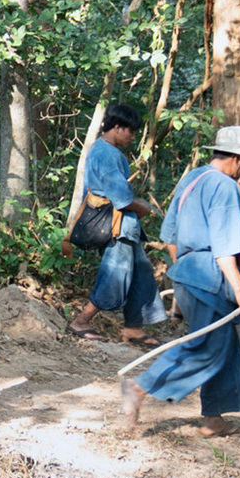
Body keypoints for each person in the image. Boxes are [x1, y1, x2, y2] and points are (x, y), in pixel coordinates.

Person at [121, 125, 240, 438]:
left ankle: (213, 420)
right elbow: (225, 245)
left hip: (187, 272)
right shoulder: (225, 187)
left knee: (224, 347)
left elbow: (170, 235)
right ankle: (140, 387)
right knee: (206, 346)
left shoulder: (193, 177)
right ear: (238, 158)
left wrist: (184, 277)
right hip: (210, 278)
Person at [67, 104, 167, 346]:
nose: (133, 137)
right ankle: (81, 321)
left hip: (124, 229)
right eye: (130, 132)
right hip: (117, 229)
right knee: (115, 276)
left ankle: (133, 328)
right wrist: (142, 206)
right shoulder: (108, 154)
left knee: (141, 275)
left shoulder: (103, 150)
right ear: (117, 127)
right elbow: (122, 199)